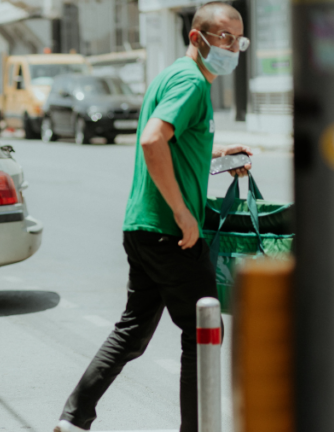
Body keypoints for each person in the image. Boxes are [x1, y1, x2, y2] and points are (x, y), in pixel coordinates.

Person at [55, 3, 251, 432]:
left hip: (143, 228)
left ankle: (73, 418)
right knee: (203, 331)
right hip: (170, 232)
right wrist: (183, 213)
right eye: (224, 37)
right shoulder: (192, 82)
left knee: (132, 332)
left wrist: (219, 155)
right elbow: (151, 141)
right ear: (196, 37)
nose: (232, 48)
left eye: (238, 40)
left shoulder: (172, 76)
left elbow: (176, 147)